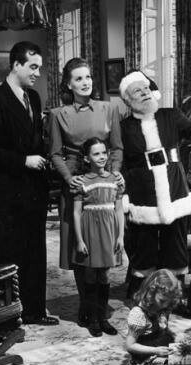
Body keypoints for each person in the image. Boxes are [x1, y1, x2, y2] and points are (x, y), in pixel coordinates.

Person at [0, 41, 58, 326]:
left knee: (35, 251)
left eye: (39, 67)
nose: (37, 73)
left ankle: (35, 310)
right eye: (33, 67)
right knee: (8, 252)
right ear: (16, 65)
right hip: (9, 191)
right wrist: (24, 160)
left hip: (35, 191)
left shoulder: (33, 97)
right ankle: (4, 317)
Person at [118, 71, 191, 295]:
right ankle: (143, 292)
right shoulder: (124, 127)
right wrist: (124, 196)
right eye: (137, 91)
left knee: (175, 246)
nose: (144, 93)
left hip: (174, 190)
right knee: (144, 247)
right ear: (128, 100)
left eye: (145, 88)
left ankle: (175, 293)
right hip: (143, 194)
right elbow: (121, 162)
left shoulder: (171, 115)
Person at [48, 57, 123, 327]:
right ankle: (85, 305)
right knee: (79, 245)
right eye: (78, 78)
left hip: (104, 181)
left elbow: (117, 147)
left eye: (88, 77)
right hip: (76, 182)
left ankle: (99, 310)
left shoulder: (109, 108)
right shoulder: (58, 114)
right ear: (68, 84)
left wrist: (114, 174)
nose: (85, 82)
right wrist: (70, 179)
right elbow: (55, 153)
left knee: (104, 241)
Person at [72, 138, 124, 337]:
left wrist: (120, 236)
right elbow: (76, 212)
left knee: (105, 274)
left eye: (104, 152)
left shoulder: (115, 180)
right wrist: (79, 240)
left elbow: (119, 210)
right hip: (90, 230)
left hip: (109, 230)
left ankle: (103, 318)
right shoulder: (82, 182)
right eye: (96, 154)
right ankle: (92, 318)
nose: (101, 157)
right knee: (90, 274)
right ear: (87, 158)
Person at [124, 269, 191, 365]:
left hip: (160, 349)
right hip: (145, 358)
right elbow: (130, 345)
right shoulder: (138, 314)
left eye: (168, 301)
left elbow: (163, 329)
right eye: (162, 300)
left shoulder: (162, 307)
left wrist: (176, 336)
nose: (165, 305)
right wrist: (156, 351)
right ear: (151, 292)